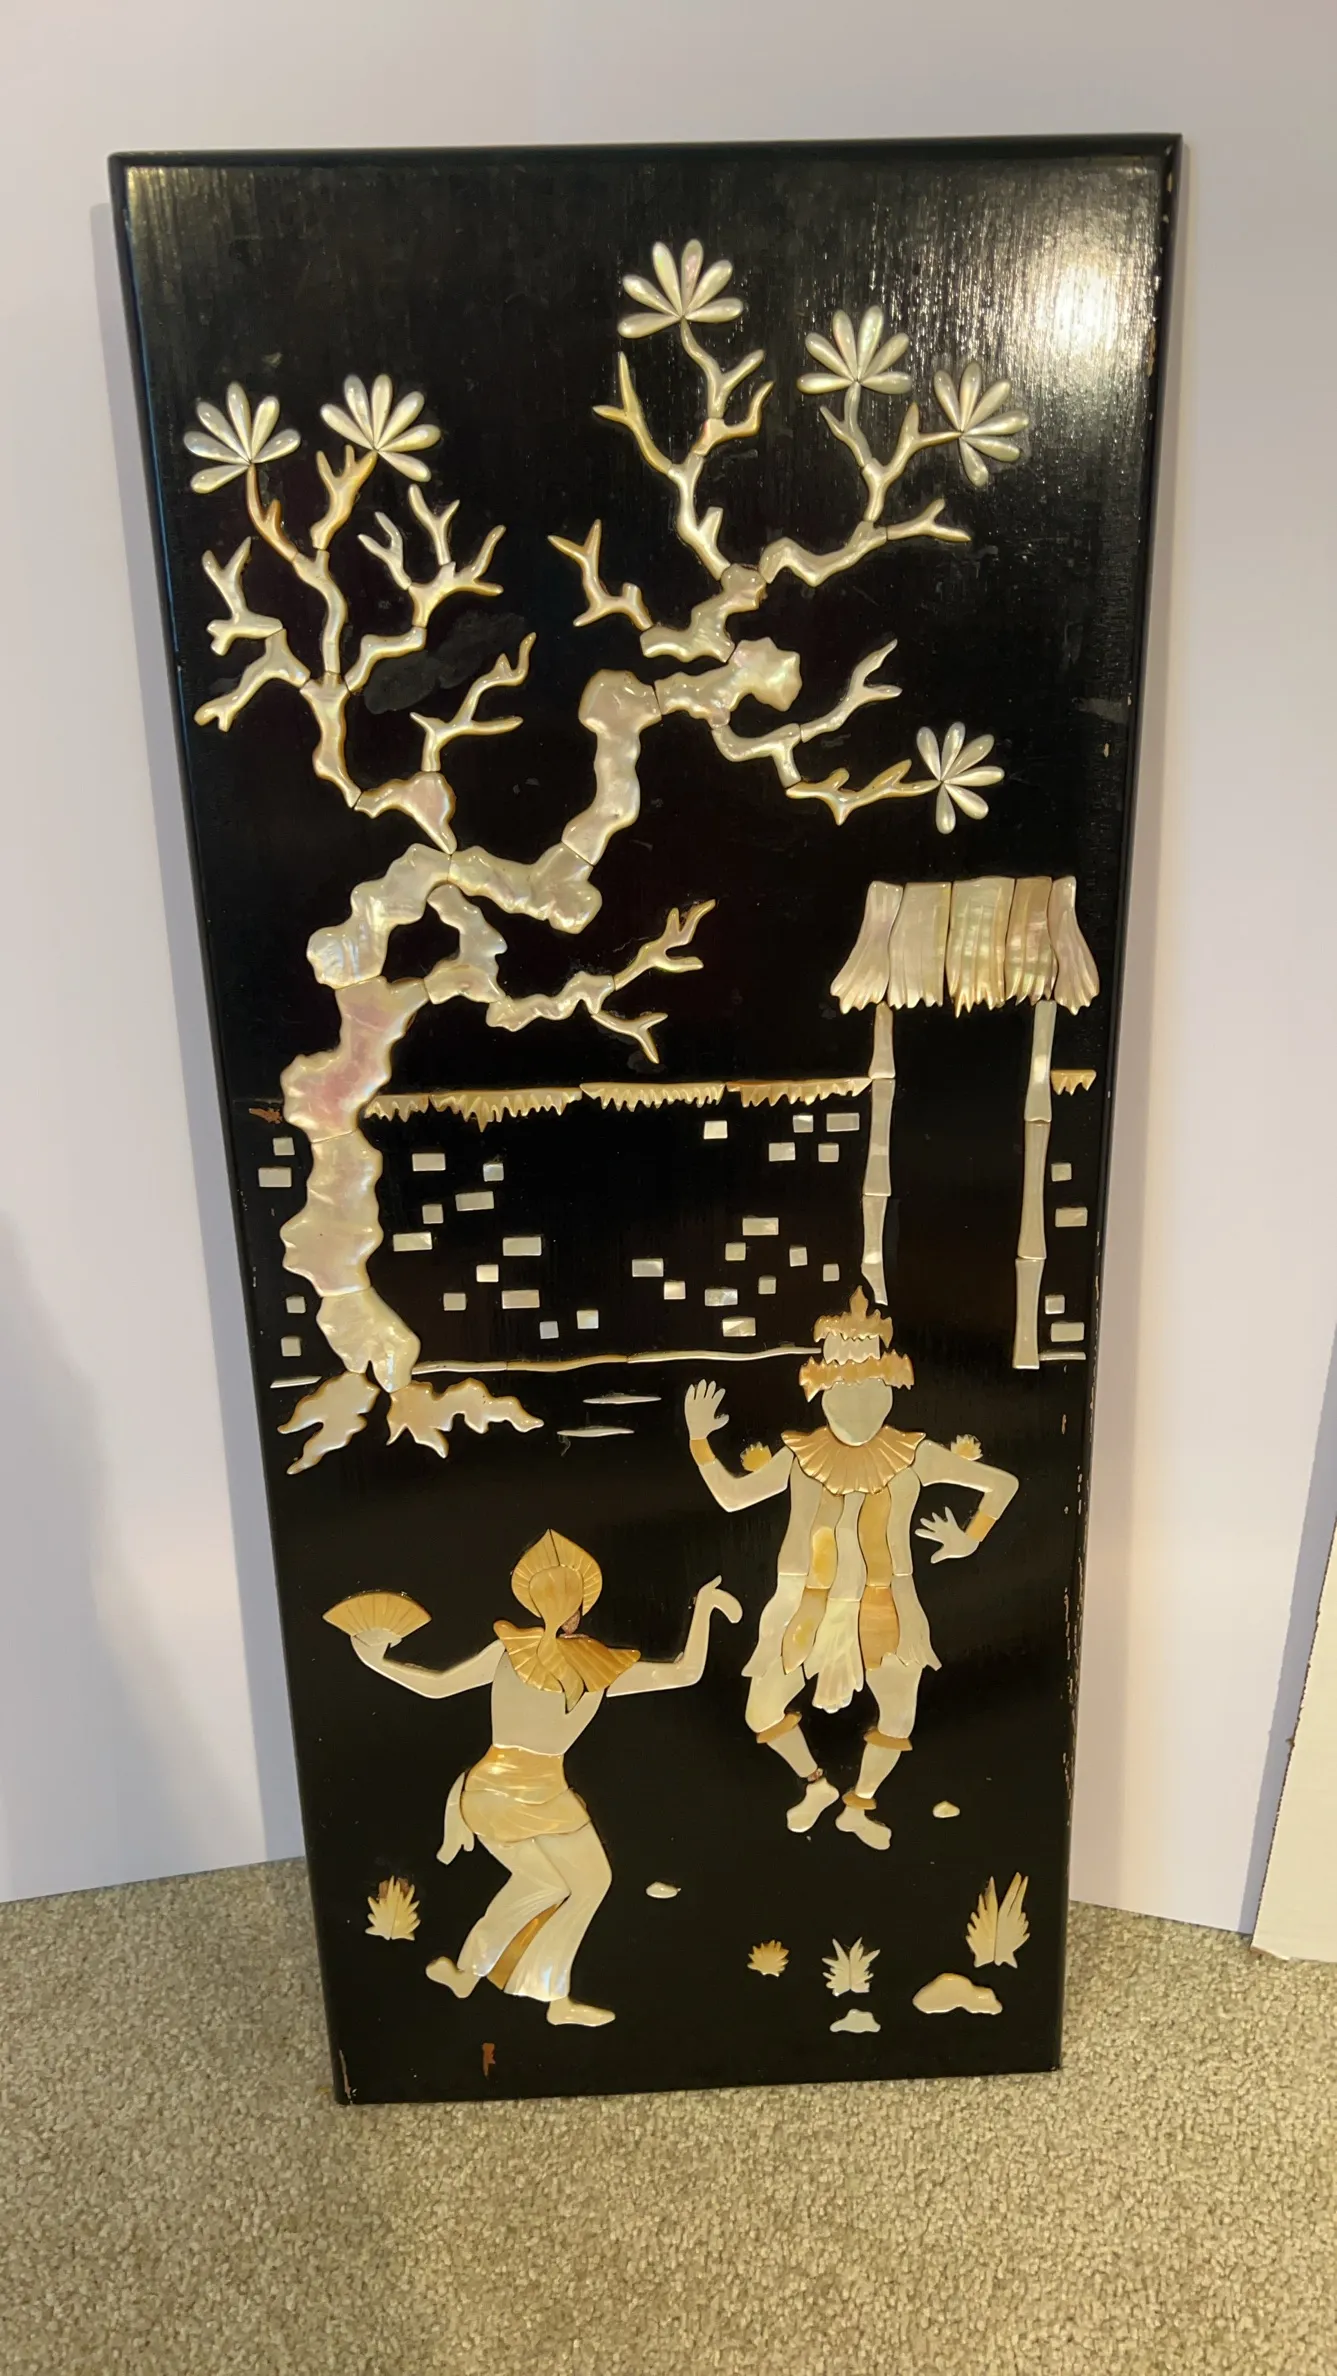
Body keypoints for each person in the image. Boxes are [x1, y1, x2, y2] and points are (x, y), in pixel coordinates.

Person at [341, 1529, 740, 2026]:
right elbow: (439, 1687)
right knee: (565, 1882)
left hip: (535, 1792)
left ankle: (508, 1982)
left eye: (572, 1600)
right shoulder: (514, 1651)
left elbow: (684, 1673)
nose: (569, 1610)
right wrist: (376, 1661)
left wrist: (703, 1609)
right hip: (501, 1792)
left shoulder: (592, 1663)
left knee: (569, 1883)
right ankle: (517, 1985)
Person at [684, 1287, 1017, 1849]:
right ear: (825, 1393)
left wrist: (969, 1539)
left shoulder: (914, 1454)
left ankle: (859, 1805)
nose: (857, 1403)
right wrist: (699, 1439)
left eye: (869, 1388)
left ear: (888, 1389)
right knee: (761, 1708)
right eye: (845, 1389)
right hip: (805, 1602)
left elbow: (1001, 1484)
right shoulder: (800, 1456)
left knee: (899, 1714)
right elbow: (733, 1498)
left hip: (886, 1603)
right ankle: (815, 1784)